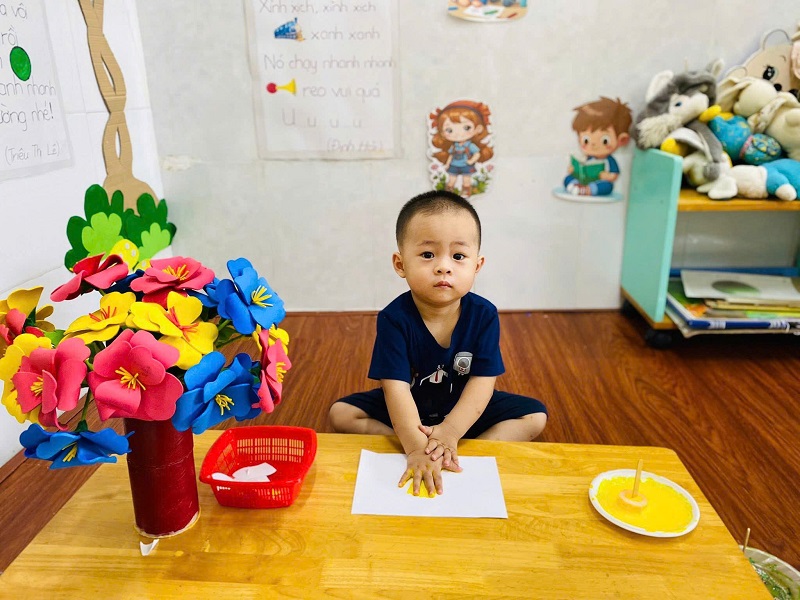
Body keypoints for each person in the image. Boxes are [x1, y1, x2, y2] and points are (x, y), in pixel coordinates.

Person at [329, 190, 547, 496]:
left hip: (464, 407)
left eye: (458, 256)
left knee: (534, 417)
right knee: (341, 413)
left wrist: (451, 431)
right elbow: (395, 388)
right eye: (428, 255)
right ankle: (427, 447)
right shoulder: (393, 319)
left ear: (477, 265)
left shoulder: (484, 315)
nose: (444, 267)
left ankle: (454, 450)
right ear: (400, 264)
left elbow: (483, 381)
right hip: (410, 409)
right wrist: (415, 447)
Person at [563, 96, 632, 196]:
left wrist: (608, 176)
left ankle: (587, 190)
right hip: (582, 180)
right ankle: (574, 186)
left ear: (622, 140)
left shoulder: (609, 160)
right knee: (567, 178)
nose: (593, 145)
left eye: (605, 141)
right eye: (586, 140)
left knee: (607, 186)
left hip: (598, 182)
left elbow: (614, 174)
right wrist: (572, 169)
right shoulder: (585, 158)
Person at [429, 101, 494, 198]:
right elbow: (451, 155)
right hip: (454, 165)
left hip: (466, 166)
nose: (458, 134)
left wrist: (471, 161)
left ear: (478, 129)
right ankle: (449, 193)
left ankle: (466, 192)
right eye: (449, 130)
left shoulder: (470, 145)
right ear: (442, 132)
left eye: (466, 127)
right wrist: (447, 164)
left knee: (466, 180)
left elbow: (477, 153)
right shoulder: (454, 146)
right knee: (451, 180)